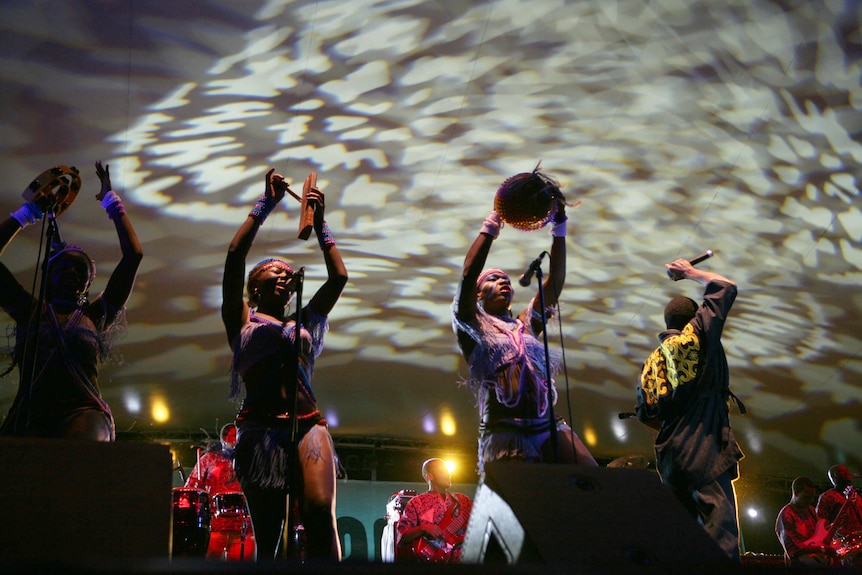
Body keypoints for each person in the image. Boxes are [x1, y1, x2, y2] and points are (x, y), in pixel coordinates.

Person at [222, 168, 348, 561]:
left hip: (307, 423)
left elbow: (339, 277)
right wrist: (266, 205)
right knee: (270, 535)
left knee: (318, 513)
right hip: (260, 430)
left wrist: (321, 224)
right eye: (275, 271)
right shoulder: (242, 319)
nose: (285, 275)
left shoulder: (303, 320)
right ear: (255, 287)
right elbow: (234, 255)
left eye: (287, 273)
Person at [452, 166, 597, 479]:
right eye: (493, 279)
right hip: (506, 433)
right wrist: (492, 226)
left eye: (506, 280)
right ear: (478, 295)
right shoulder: (472, 327)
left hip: (550, 426)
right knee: (525, 506)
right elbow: (466, 277)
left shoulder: (525, 325)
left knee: (594, 481)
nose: (504, 282)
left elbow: (555, 283)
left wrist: (559, 226)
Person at [0, 161, 143, 440]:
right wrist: (28, 213)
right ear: (47, 275)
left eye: (80, 271)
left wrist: (111, 202)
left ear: (89, 284)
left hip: (82, 411)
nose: (71, 274)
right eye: (63, 268)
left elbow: (133, 256)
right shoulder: (28, 309)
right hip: (30, 411)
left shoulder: (95, 315)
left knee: (76, 454)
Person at [635, 258, 744, 561]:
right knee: (719, 544)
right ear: (694, 315)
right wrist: (689, 272)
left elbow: (645, 414)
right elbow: (725, 287)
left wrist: (678, 430)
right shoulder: (699, 334)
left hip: (671, 461)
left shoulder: (652, 361)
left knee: (682, 545)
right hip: (704, 454)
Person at [185, 423, 256, 561]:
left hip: (242, 527)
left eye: (238, 436)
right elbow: (192, 487)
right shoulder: (209, 459)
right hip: (215, 526)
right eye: (233, 436)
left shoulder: (250, 461)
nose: (236, 439)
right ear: (224, 438)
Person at [396, 458, 473, 564]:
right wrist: (423, 528)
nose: (448, 475)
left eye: (448, 471)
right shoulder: (417, 503)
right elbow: (401, 537)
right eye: (443, 471)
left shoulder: (462, 500)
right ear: (430, 476)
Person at [775, 476, 833, 567]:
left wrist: (832, 527)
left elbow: (819, 534)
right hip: (799, 566)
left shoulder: (811, 511)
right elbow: (794, 548)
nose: (811, 500)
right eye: (807, 497)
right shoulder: (786, 514)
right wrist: (822, 549)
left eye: (812, 497)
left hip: (816, 563)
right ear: (796, 493)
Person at [816, 464, 862, 565]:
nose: (846, 473)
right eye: (841, 472)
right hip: (844, 549)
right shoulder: (827, 497)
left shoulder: (857, 497)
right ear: (833, 477)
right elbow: (821, 525)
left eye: (846, 471)